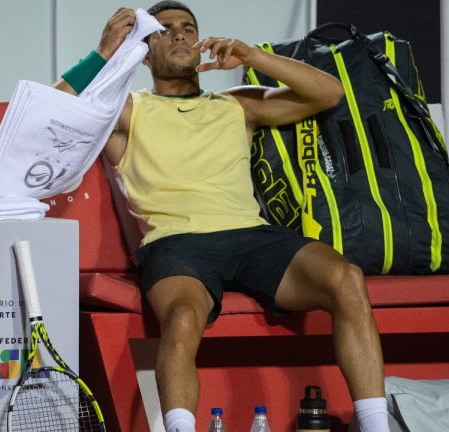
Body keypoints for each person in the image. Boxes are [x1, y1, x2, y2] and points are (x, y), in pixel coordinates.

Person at [54, 2, 390, 431]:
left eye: (187, 27)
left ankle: (376, 426)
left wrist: (253, 56)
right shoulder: (127, 109)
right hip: (176, 243)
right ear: (144, 52)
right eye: (163, 29)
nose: (179, 34)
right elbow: (52, 110)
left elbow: (329, 93)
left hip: (250, 236)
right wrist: (104, 53)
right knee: (182, 318)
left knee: (346, 279)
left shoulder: (237, 103)